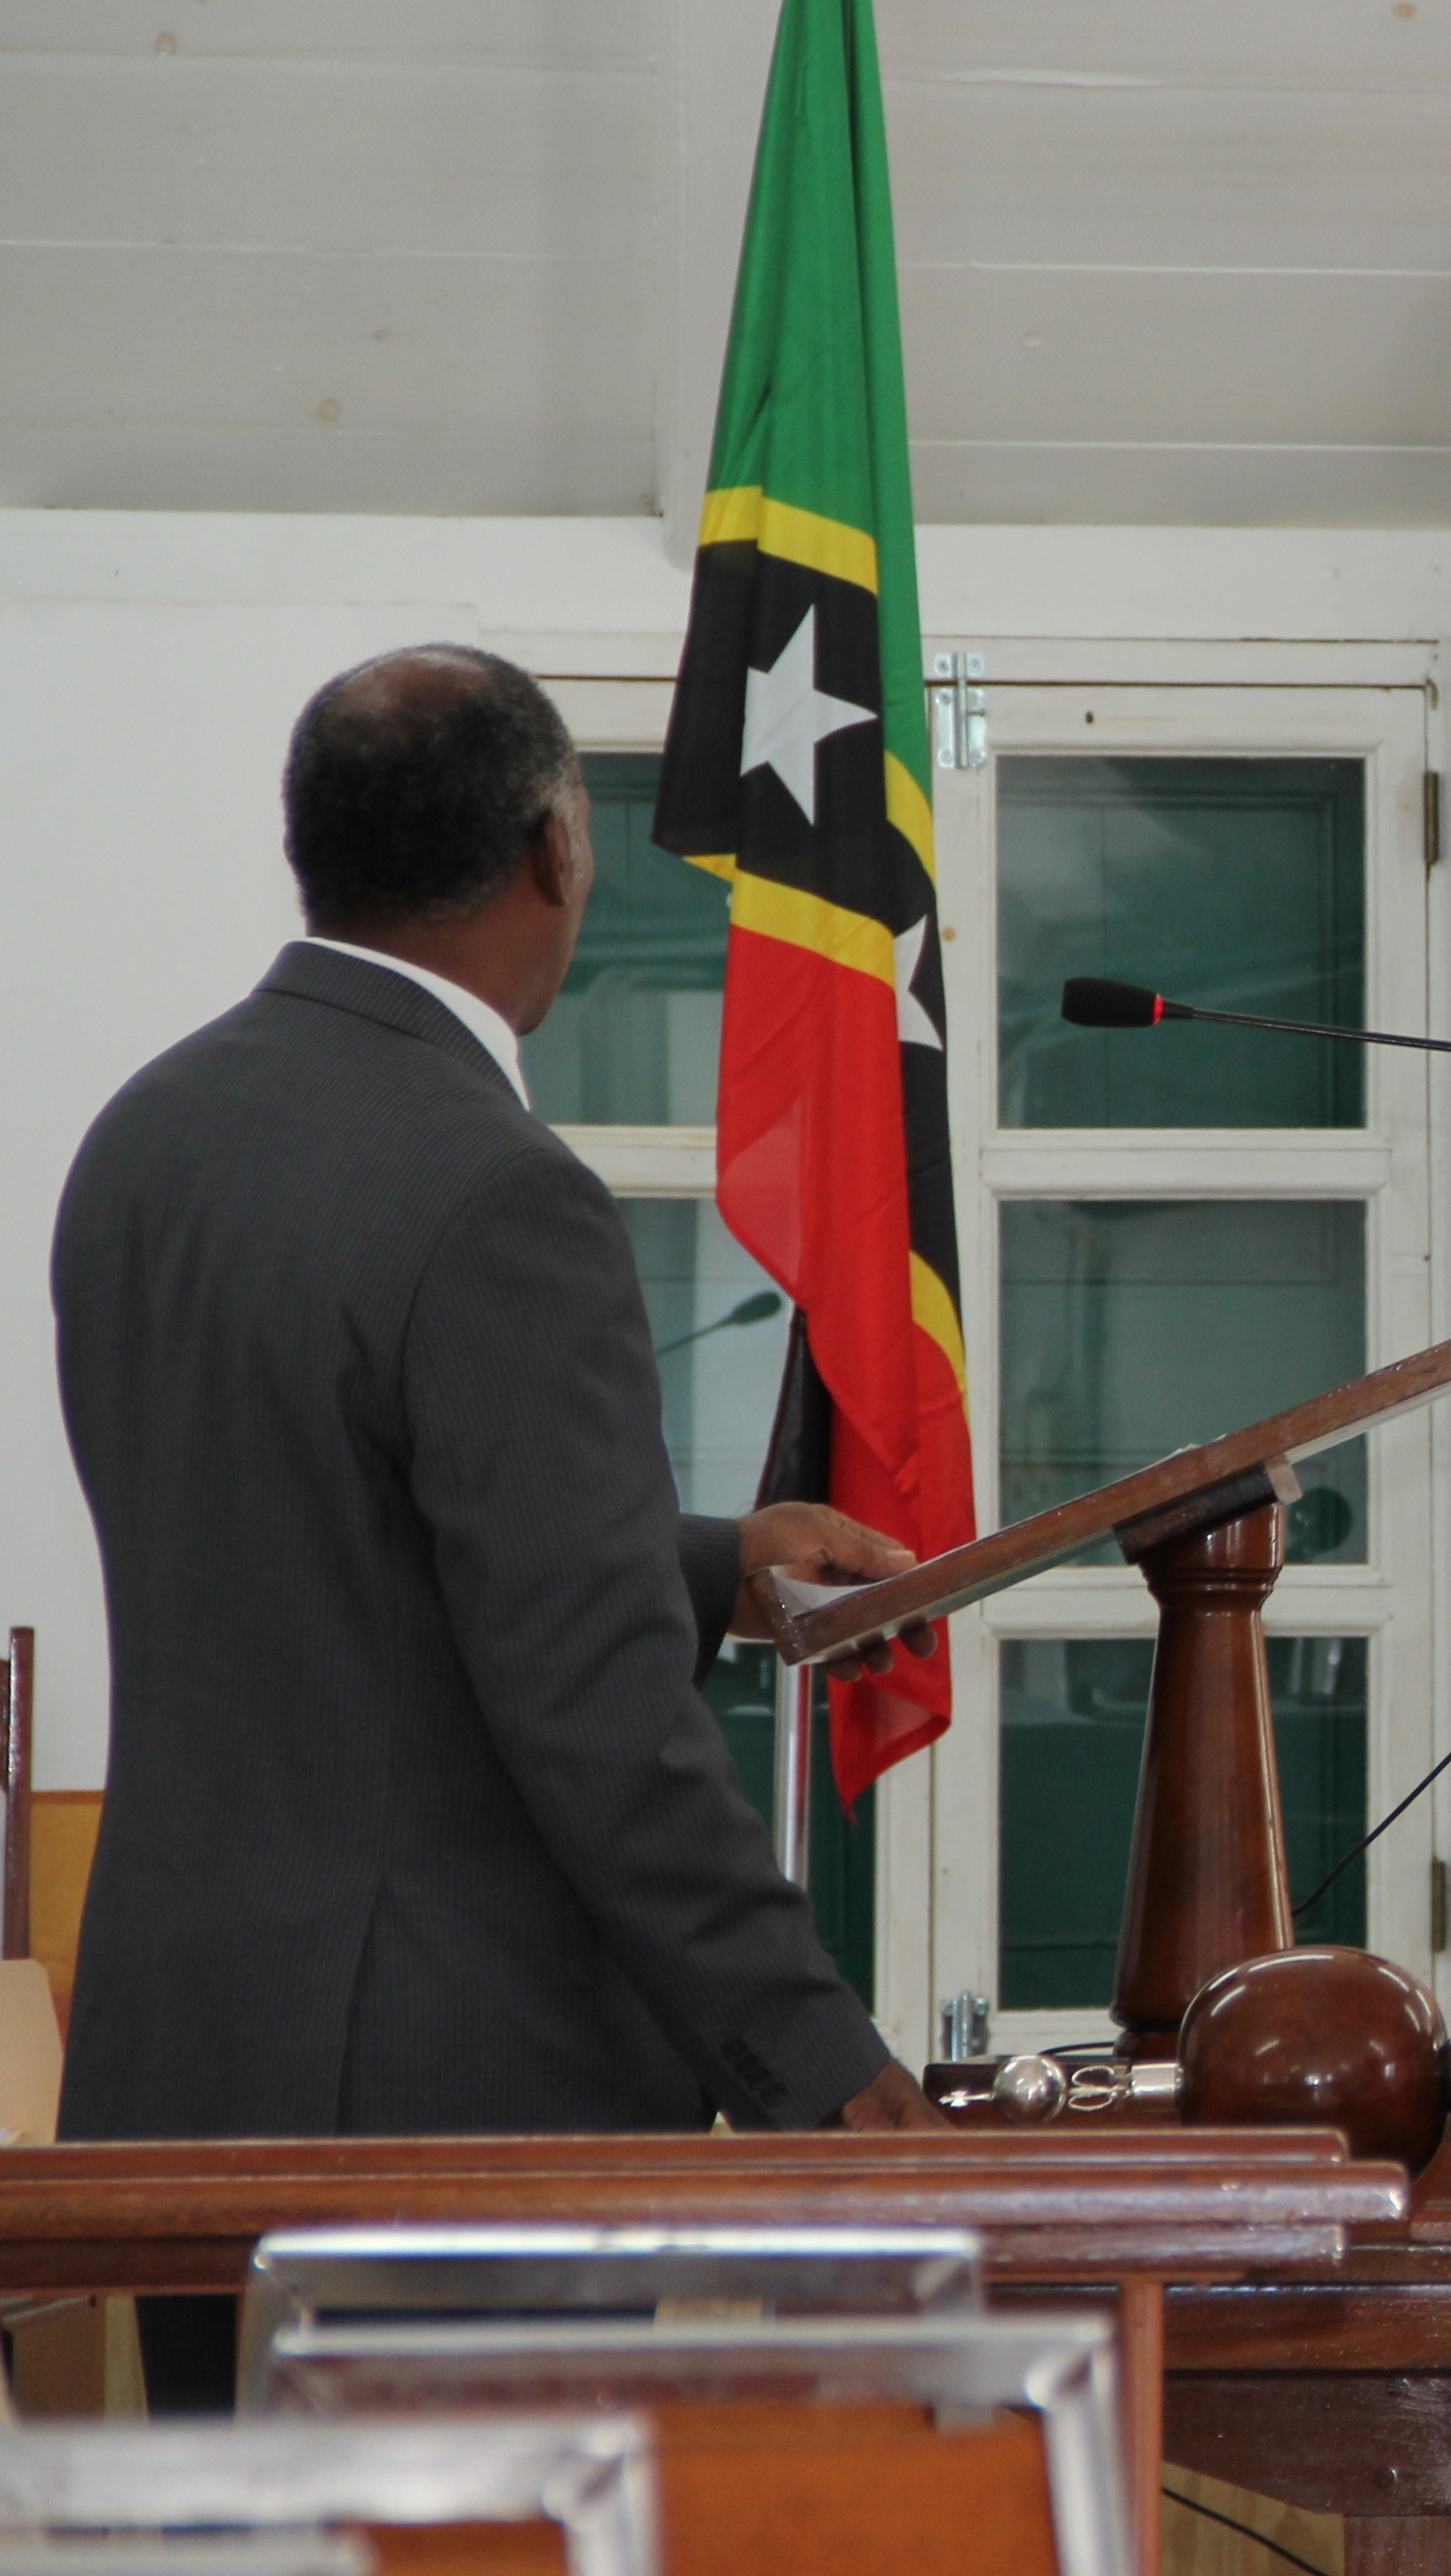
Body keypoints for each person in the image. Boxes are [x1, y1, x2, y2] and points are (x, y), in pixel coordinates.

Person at [50, 647, 949, 2404]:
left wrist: (712, 1563)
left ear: (313, 845)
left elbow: (307, 1537)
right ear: (556, 847)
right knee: (465, 2537)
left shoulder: (142, 1139)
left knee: (239, 2543)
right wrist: (820, 2059)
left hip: (183, 2083)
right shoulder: (500, 1191)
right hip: (442, 2114)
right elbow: (600, 1718)